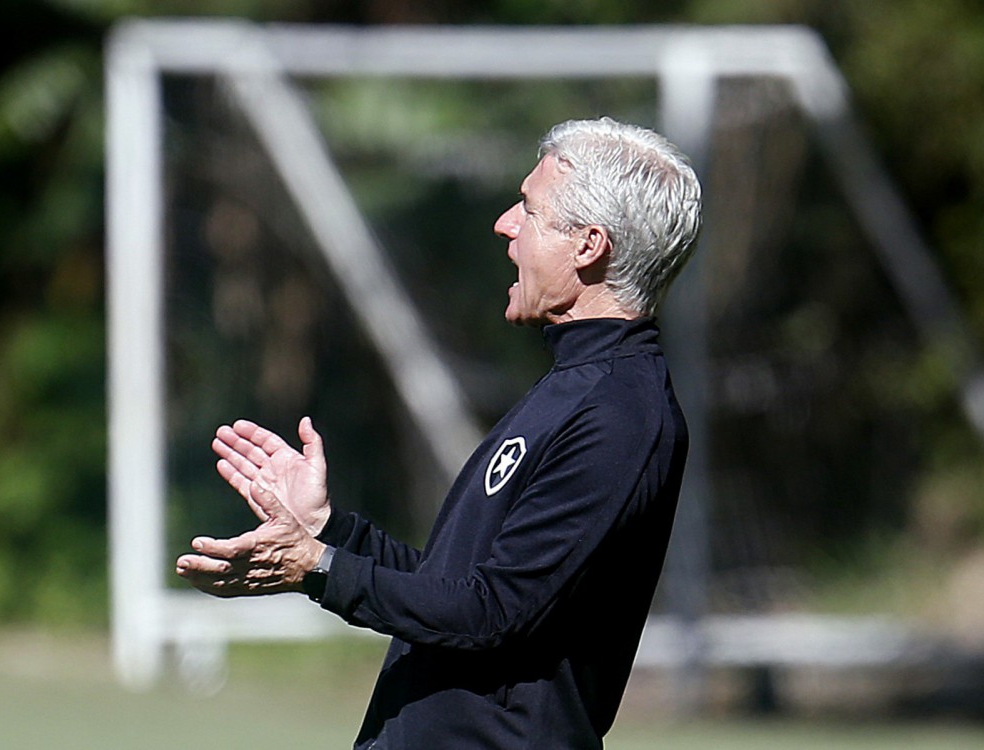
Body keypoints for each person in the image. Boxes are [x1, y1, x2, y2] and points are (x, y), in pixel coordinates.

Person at [176, 116, 703, 749]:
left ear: (589, 245)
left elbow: (492, 614)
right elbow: (455, 593)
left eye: (529, 211)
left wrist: (316, 567)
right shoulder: (575, 387)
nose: (505, 224)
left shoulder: (621, 413)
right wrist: (329, 532)